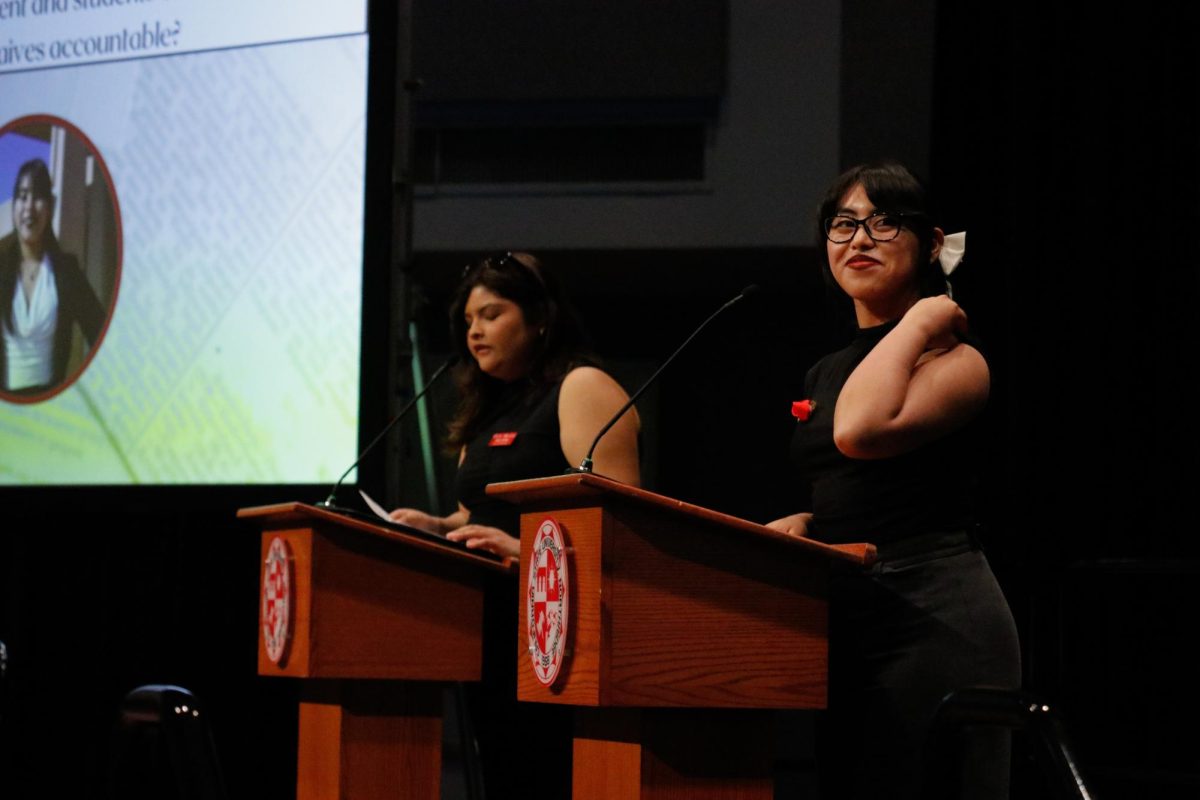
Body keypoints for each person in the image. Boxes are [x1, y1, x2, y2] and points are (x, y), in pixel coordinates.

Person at [767, 162, 1021, 799]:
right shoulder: (825, 370)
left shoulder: (957, 357)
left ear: (933, 244)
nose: (859, 239)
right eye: (843, 224)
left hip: (935, 613)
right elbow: (855, 478)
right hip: (847, 611)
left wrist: (924, 319)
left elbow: (860, 431)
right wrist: (813, 524)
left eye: (884, 222)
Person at [390, 250, 641, 796]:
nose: (474, 332)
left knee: (541, 774)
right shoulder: (490, 409)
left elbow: (622, 522)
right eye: (467, 321)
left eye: (491, 314)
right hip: (488, 622)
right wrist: (434, 526)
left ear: (540, 317)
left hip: (559, 633)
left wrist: (524, 549)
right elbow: (479, 514)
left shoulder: (582, 387)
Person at [1, 158, 106, 395]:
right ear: (15, 205)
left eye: (38, 197)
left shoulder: (65, 271)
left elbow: (100, 332)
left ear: (50, 207)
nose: (29, 207)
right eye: (22, 196)